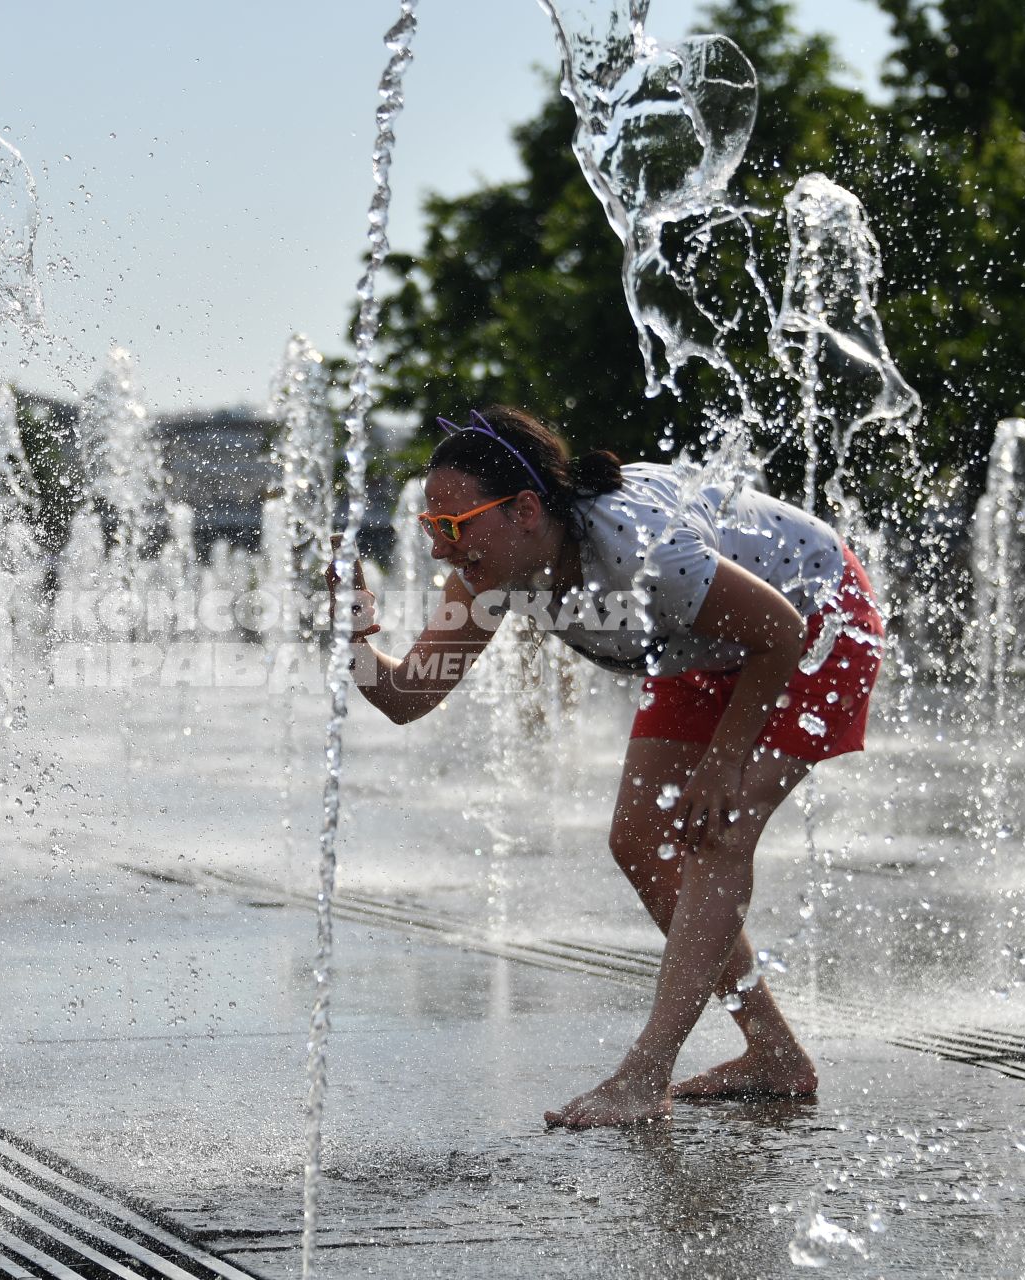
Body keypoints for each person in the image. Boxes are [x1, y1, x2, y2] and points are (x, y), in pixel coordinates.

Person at [331, 407, 883, 1129]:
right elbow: (409, 696)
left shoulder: (638, 548)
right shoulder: (488, 577)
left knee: (718, 833)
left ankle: (641, 1079)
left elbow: (776, 630)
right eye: (433, 532)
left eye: (455, 528)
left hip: (815, 621)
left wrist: (723, 764)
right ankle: (773, 1053)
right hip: (707, 647)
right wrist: (349, 636)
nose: (441, 553)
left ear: (526, 510)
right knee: (637, 838)